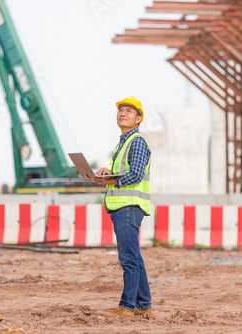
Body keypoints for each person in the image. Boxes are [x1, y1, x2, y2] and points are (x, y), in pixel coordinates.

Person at [83, 96, 152, 318]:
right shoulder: (123, 143)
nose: (122, 113)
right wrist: (106, 173)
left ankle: (126, 307)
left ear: (138, 119)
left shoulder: (137, 141)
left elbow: (135, 174)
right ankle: (143, 305)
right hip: (122, 207)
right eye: (120, 110)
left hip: (129, 207)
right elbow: (123, 172)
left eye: (128, 111)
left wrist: (110, 180)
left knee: (128, 259)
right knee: (135, 257)